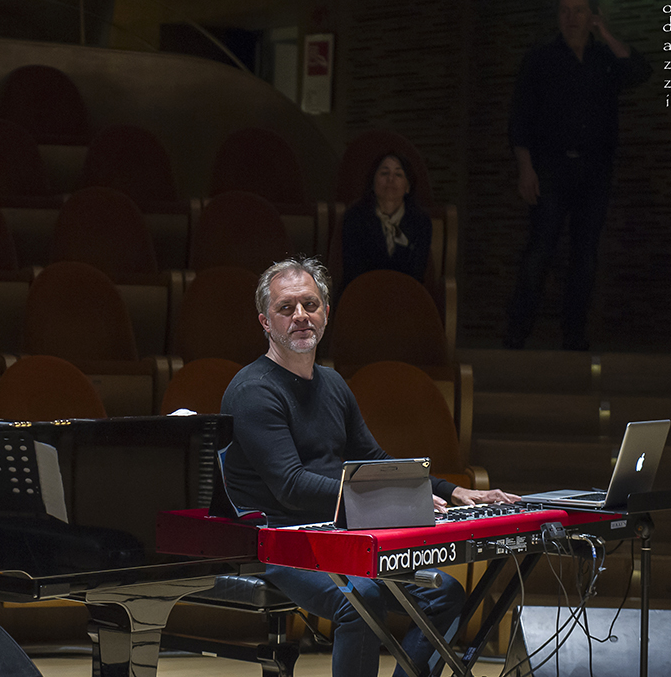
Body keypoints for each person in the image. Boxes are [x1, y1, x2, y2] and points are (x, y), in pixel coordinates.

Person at [221, 256, 519, 677]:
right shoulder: (253, 391)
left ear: (326, 312)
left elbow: (373, 460)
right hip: (276, 539)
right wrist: (390, 497)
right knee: (358, 602)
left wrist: (451, 490)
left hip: (341, 533)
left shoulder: (333, 383)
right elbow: (290, 485)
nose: (301, 316)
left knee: (449, 594)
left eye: (311, 304)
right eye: (286, 308)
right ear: (265, 322)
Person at [504, 0, 651, 351]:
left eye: (579, 10)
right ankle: (516, 334)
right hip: (550, 167)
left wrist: (606, 34)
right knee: (540, 250)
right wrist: (525, 168)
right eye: (565, 10)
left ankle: (574, 336)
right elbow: (520, 116)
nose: (571, 18)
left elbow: (640, 71)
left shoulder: (604, 59)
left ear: (593, 15)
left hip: (595, 170)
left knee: (585, 255)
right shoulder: (540, 58)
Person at [339, 151, 431, 294]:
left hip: (406, 296)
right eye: (384, 173)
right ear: (373, 182)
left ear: (408, 186)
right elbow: (353, 270)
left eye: (398, 174)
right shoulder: (355, 218)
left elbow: (417, 273)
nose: (391, 179)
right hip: (362, 295)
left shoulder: (420, 221)